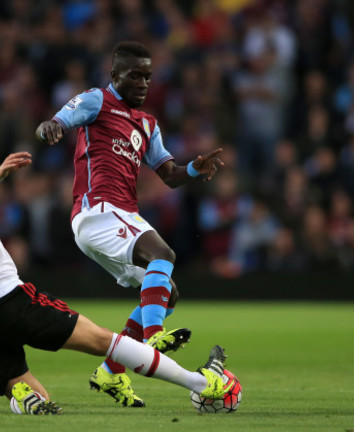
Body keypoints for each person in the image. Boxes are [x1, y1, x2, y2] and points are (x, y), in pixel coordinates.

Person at [0, 115, 234, 414]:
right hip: (7, 301)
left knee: (36, 395)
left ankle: (22, 399)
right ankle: (200, 384)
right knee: (104, 341)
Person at [35, 41, 225, 407]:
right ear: (115, 75)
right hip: (98, 211)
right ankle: (153, 338)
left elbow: (168, 174)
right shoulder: (96, 101)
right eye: (135, 75)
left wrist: (192, 170)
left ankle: (111, 371)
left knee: (168, 291)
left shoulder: (148, 124)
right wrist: (49, 128)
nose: (142, 83)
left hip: (120, 216)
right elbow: (56, 121)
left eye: (148, 77)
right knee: (163, 253)